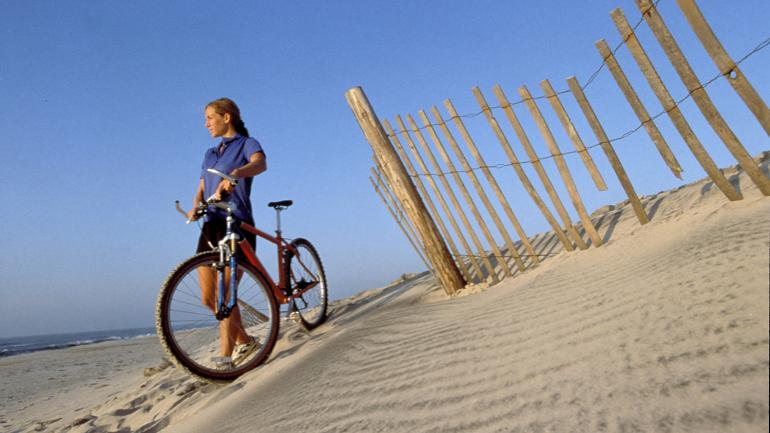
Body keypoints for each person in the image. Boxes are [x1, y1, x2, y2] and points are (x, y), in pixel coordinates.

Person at [187, 97, 267, 368]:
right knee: (209, 298)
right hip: (210, 224)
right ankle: (246, 342)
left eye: (210, 117)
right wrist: (195, 205)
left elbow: (260, 163)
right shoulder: (210, 153)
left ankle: (225, 359)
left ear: (226, 117)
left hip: (236, 223)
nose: (206, 123)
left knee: (225, 293)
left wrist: (235, 174)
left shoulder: (247, 143)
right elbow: (202, 183)